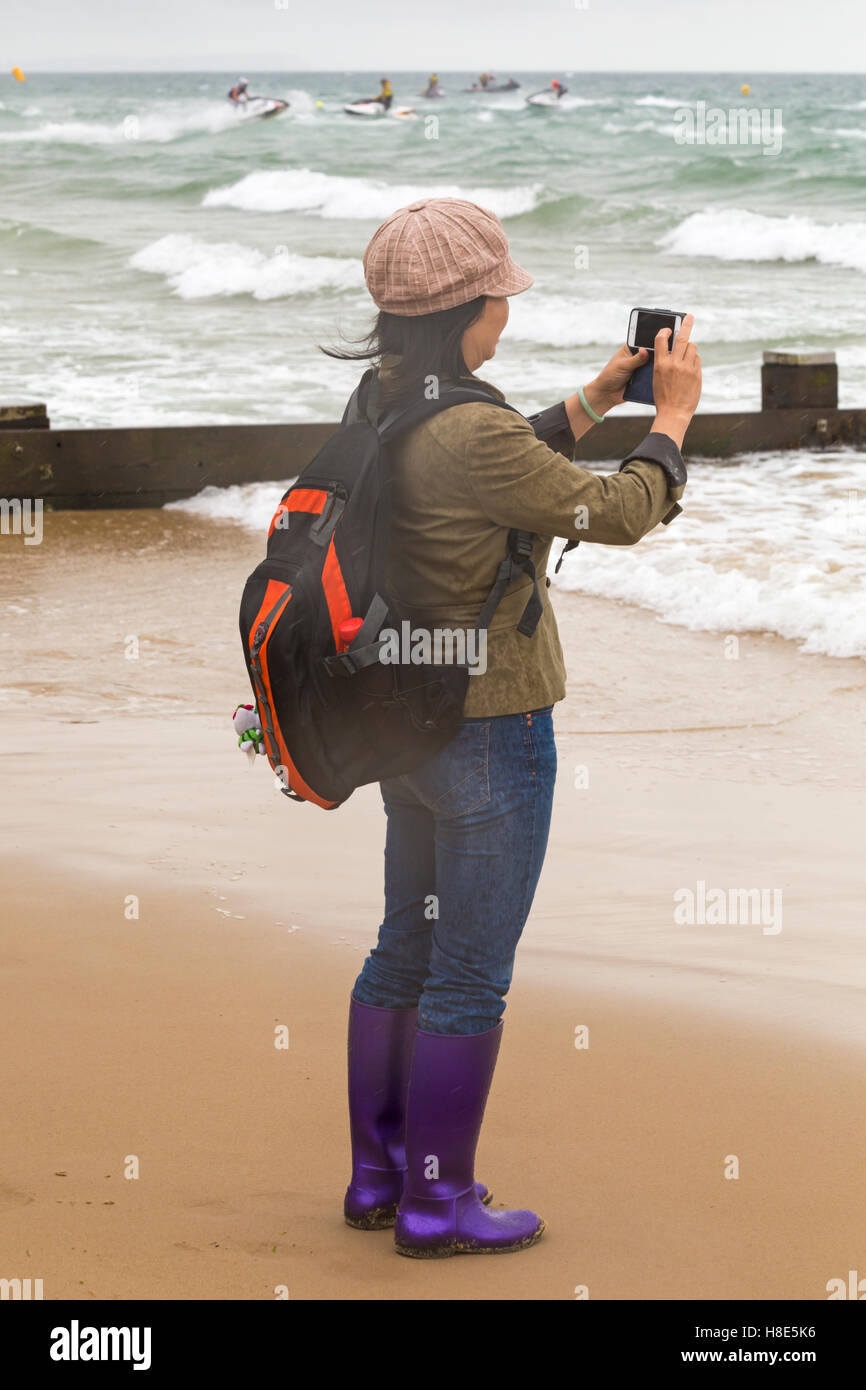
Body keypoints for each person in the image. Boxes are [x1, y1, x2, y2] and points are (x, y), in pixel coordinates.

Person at [333, 197, 701, 1257]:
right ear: (465, 312)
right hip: (488, 727)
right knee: (468, 972)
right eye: (500, 295)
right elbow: (619, 513)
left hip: (405, 715)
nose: (507, 309)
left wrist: (598, 396)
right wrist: (669, 419)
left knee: (403, 946)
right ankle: (439, 1205)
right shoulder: (469, 425)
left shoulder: (386, 401)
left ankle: (379, 1176)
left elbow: (495, 463)